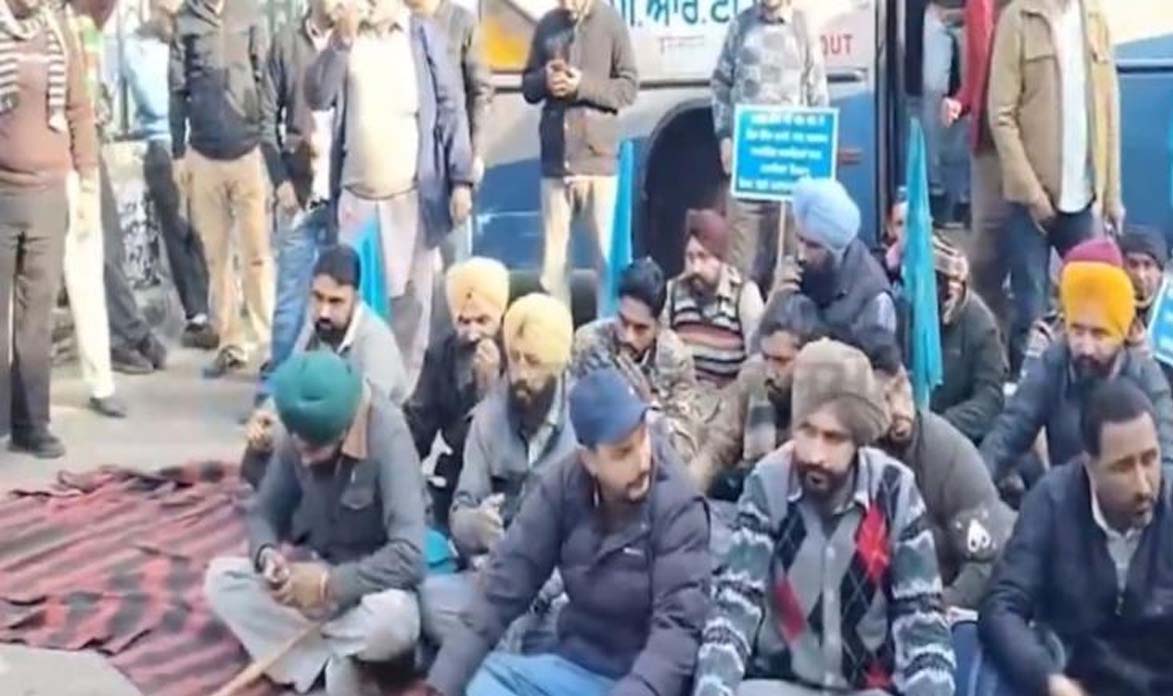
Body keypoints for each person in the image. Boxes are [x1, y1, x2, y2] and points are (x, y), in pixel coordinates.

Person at [426, 367, 710, 696]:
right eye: (622, 453)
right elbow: (503, 584)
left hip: (646, 681)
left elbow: (676, 635)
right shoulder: (563, 486)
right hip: (575, 666)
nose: (642, 461)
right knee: (476, 680)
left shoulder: (678, 503)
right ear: (589, 460)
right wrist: (439, 686)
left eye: (642, 439)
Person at [693, 339, 955, 696]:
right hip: (782, 686)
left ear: (859, 441)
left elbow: (923, 625)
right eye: (807, 431)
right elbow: (735, 608)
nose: (816, 453)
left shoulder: (896, 491)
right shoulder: (768, 483)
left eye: (833, 438)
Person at [205, 350, 427, 696]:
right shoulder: (299, 428)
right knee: (222, 581)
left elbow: (409, 555)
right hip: (316, 578)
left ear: (343, 431)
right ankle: (331, 664)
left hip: (372, 589)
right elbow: (264, 513)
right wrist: (268, 557)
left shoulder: (389, 435)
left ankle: (313, 660)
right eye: (299, 448)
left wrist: (329, 585)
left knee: (393, 621)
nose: (304, 460)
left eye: (314, 451)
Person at [304, 0, 474, 391]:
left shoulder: (423, 36)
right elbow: (316, 95)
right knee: (347, 296)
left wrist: (461, 180)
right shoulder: (346, 38)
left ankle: (402, 397)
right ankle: (346, 392)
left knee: (412, 306)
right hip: (357, 197)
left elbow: (451, 109)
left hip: (410, 196)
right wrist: (340, 43)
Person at [975, 379, 1173, 696]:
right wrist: (1047, 680)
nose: (1143, 485)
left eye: (1149, 460)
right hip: (1074, 676)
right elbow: (1002, 607)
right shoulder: (1051, 501)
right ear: (1090, 466)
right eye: (1123, 467)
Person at [420, 292, 577, 648]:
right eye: (515, 358)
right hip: (495, 578)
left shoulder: (581, 426)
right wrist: (475, 525)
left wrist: (533, 593)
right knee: (427, 601)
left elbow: (587, 542)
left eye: (533, 363)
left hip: (556, 588)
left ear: (557, 366)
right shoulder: (489, 417)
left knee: (581, 624)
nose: (520, 374)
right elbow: (460, 512)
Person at [987, 0, 1122, 372]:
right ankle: (1028, 394)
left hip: (1084, 200)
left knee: (1092, 308)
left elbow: (1109, 111)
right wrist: (1032, 194)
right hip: (1031, 205)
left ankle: (1085, 393)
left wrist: (1112, 194)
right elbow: (1001, 116)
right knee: (1031, 313)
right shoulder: (1018, 19)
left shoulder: (1094, 19)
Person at [981, 238, 1173, 486]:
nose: (1086, 347)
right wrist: (973, 488)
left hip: (1131, 501)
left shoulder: (1146, 378)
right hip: (1064, 497)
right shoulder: (1055, 363)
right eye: (1078, 331)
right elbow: (1009, 433)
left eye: (1099, 334)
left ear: (1121, 335)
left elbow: (1167, 457)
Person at [0, 0, 98, 458]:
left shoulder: (57, 31)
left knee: (35, 319)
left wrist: (88, 180)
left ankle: (32, 425)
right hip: (2, 193)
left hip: (49, 193)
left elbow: (79, 109)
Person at [866, 335, 1014, 610]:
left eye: (901, 388)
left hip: (943, 603)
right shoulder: (847, 453)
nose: (899, 409)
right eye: (883, 398)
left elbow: (985, 562)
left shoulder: (947, 452)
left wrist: (937, 609)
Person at [170, 0, 274, 380]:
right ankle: (230, 343)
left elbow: (265, 81)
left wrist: (267, 144)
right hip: (203, 155)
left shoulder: (250, 12)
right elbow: (177, 91)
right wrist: (178, 154)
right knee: (217, 259)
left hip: (247, 152)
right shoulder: (186, 20)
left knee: (256, 254)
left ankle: (268, 343)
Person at [689, 293, 825, 564]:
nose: (771, 371)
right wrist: (685, 497)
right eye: (767, 358)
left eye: (782, 361)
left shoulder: (828, 391)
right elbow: (718, 448)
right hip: (752, 497)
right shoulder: (754, 375)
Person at [523, 0, 638, 312]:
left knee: (606, 260)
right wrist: (544, 80)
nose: (566, 4)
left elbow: (628, 88)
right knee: (553, 268)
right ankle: (556, 335)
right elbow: (528, 87)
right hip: (555, 164)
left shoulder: (611, 23)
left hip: (599, 162)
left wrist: (582, 86)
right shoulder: (548, 25)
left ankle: (609, 330)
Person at [245, 246, 409, 460]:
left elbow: (366, 416)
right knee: (257, 455)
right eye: (318, 298)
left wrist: (290, 433)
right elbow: (290, 379)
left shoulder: (375, 341)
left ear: (356, 299)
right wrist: (266, 417)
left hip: (370, 447)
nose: (324, 312)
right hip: (326, 434)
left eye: (335, 301)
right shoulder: (317, 326)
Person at [258, 0, 343, 400]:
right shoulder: (285, 43)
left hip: (343, 196)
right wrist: (280, 181)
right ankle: (275, 394)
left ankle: (327, 392)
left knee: (339, 299)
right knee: (291, 302)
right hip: (300, 192)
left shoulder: (356, 44)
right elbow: (265, 120)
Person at [711, 0, 827, 290]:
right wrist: (725, 137)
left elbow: (818, 98)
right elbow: (721, 84)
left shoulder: (803, 29)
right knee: (740, 269)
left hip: (790, 172)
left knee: (790, 265)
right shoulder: (741, 26)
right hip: (747, 169)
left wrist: (818, 161)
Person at [122, 0, 214, 351]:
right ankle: (197, 315)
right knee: (178, 232)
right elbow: (157, 101)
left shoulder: (192, 36)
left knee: (205, 230)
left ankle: (213, 309)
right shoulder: (138, 46)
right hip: (163, 145)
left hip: (200, 143)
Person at [407, 256, 510, 529]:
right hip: (456, 473)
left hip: (508, 478)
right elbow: (418, 424)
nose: (473, 333)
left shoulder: (517, 352)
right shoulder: (442, 354)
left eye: (483, 321)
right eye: (464, 322)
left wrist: (492, 390)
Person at [571, 258, 701, 460]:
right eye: (622, 322)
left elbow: (685, 450)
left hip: (649, 462)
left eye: (640, 328)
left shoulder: (676, 360)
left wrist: (647, 410)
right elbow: (566, 418)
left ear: (658, 325)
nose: (627, 337)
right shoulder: (588, 343)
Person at [941, 0, 1016, 338]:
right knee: (985, 254)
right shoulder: (976, 6)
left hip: (1026, 141)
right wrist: (961, 101)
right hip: (988, 144)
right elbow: (978, 72)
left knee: (1028, 256)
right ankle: (989, 341)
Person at [405, 0, 492, 267]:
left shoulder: (461, 23)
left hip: (449, 162)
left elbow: (480, 91)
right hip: (405, 166)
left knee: (455, 259)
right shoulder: (398, 24)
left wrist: (474, 153)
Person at [662, 208, 764, 411]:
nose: (695, 268)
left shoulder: (744, 295)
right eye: (690, 257)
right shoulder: (673, 292)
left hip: (727, 407)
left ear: (721, 259)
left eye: (703, 257)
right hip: (681, 404)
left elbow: (758, 359)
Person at [778, 177, 896, 346]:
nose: (801, 254)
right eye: (799, 239)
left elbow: (879, 361)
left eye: (813, 246)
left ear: (836, 247)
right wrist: (775, 300)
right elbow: (764, 347)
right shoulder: (795, 272)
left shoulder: (873, 297)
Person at [930, 233, 1007, 444]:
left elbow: (989, 400)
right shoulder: (903, 311)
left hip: (958, 440)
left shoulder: (981, 325)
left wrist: (937, 426)